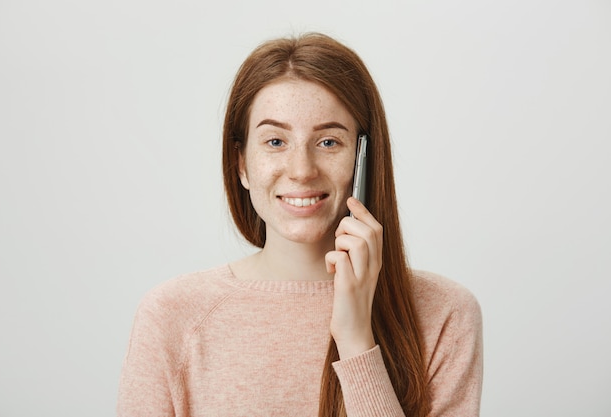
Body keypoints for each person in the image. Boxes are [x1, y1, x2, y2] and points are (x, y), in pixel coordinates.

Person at [117, 32, 483, 417]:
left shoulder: (445, 314)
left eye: (328, 142)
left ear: (364, 160)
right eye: (275, 142)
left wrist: (357, 339)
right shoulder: (172, 315)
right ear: (241, 164)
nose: (302, 171)